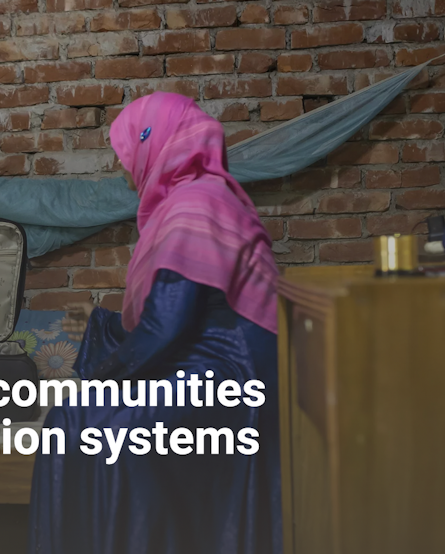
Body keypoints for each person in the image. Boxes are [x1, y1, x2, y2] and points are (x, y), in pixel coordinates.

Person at [28, 92, 282, 554]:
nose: (125, 174)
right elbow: (180, 317)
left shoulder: (195, 205)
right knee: (76, 421)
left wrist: (98, 383)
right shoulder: (193, 201)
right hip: (210, 363)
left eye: (126, 157)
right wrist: (102, 327)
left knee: (89, 428)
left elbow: (168, 326)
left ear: (155, 146)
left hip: (233, 377)